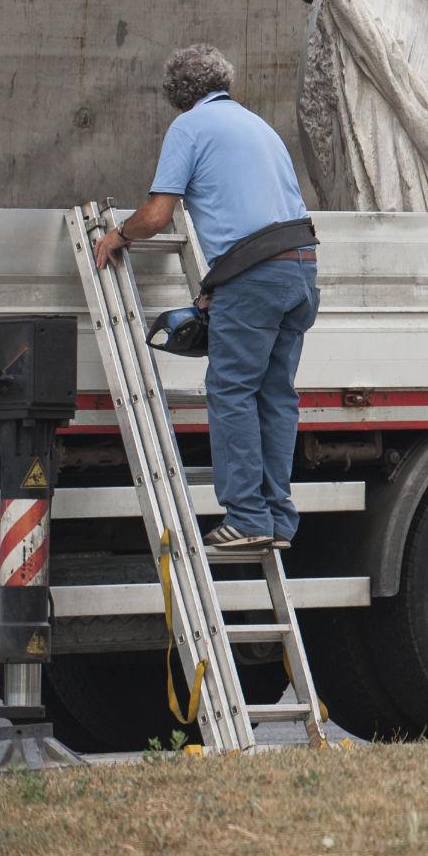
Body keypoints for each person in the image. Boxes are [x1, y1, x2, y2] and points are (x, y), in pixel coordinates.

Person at [93, 44, 319, 552]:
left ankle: (246, 516)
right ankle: (279, 520)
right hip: (301, 270)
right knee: (276, 395)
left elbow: (156, 215)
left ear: (177, 94)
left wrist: (117, 236)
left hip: (256, 276)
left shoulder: (190, 127)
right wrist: (220, 286)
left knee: (232, 390)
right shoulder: (259, 126)